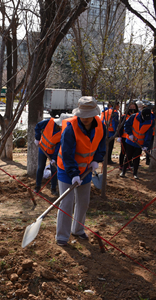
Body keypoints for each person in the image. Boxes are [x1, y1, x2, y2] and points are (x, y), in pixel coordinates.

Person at [55, 96, 106, 246]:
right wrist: (73, 174)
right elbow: (67, 154)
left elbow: (101, 145)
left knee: (83, 202)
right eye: (82, 115)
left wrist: (97, 159)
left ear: (94, 114)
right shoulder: (71, 128)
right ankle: (62, 236)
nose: (84, 119)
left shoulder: (100, 126)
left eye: (88, 116)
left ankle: (77, 229)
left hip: (86, 169)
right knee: (67, 203)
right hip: (67, 169)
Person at [34, 114, 71, 196]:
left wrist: (54, 158)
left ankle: (53, 188)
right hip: (42, 149)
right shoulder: (49, 122)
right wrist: (37, 138)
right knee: (40, 167)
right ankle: (37, 186)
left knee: (54, 170)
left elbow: (58, 147)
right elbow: (38, 126)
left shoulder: (63, 132)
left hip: (52, 153)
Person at [120, 107, 154, 179]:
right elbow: (126, 125)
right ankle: (123, 171)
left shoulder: (151, 121)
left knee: (136, 158)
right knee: (128, 157)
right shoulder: (134, 117)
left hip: (140, 143)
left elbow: (149, 134)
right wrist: (130, 134)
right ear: (141, 114)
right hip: (130, 140)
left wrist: (145, 145)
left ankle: (135, 173)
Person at [118, 102, 139, 171]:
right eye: (131, 107)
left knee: (129, 153)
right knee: (123, 152)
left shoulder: (137, 116)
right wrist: (119, 136)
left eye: (134, 107)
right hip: (124, 137)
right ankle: (121, 165)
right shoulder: (124, 116)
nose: (132, 109)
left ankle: (128, 165)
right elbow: (120, 127)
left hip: (132, 137)